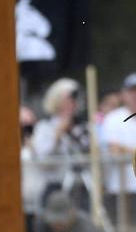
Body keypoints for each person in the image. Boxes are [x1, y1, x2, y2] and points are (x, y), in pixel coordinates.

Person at [98, 73, 136, 228]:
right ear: (123, 95)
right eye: (132, 92)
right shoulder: (113, 118)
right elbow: (114, 149)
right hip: (120, 191)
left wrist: (130, 152)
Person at [31, 78, 91, 211]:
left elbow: (88, 153)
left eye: (73, 99)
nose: (71, 103)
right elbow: (43, 157)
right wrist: (58, 134)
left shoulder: (82, 127)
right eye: (67, 99)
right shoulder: (45, 126)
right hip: (56, 186)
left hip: (81, 186)